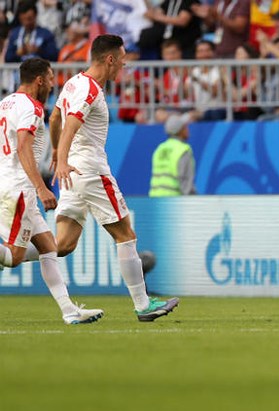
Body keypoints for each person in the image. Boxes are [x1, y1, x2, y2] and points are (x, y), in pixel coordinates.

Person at [50, 34, 180, 322]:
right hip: (92, 171)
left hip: (73, 172)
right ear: (109, 59)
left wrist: (59, 155)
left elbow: (54, 118)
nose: (124, 64)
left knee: (62, 245)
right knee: (126, 235)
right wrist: (59, 159)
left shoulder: (74, 82)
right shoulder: (91, 91)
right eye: (122, 59)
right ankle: (143, 304)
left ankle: (9, 254)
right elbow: (70, 123)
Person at [0, 57, 103, 325]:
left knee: (48, 247)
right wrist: (41, 187)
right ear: (39, 80)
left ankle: (69, 311)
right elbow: (23, 147)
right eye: (49, 78)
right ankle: (69, 311)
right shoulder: (32, 108)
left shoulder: (6, 103)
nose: (52, 83)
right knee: (13, 257)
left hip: (11, 184)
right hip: (20, 188)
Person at [149, 113, 196, 196]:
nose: (187, 129)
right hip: (173, 202)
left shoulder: (160, 149)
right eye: (185, 127)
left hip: (154, 200)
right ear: (180, 130)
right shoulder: (183, 150)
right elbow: (186, 184)